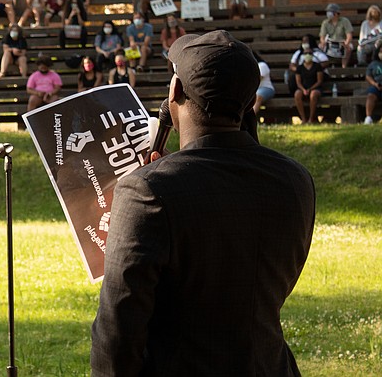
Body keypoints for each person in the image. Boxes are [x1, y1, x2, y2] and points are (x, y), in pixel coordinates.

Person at [91, 30, 315, 377]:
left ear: (176, 91)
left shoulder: (146, 193)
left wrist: (149, 186)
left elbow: (117, 331)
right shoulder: (296, 180)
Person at [319, 3, 354, 68]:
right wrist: (323, 42)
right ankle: (326, 68)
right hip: (330, 43)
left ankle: (344, 68)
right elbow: (322, 37)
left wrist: (346, 43)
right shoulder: (325, 23)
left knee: (349, 48)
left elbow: (349, 35)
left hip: (342, 42)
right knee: (320, 47)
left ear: (336, 13)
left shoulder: (345, 21)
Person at [294, 50, 325, 124]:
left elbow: (319, 81)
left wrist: (310, 89)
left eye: (309, 53)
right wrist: (303, 89)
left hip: (315, 88)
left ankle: (311, 119)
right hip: (303, 88)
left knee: (313, 95)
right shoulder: (299, 68)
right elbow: (298, 82)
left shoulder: (317, 66)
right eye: (305, 53)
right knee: (297, 94)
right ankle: (303, 119)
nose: (307, 55)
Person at [363, 47, 382, 124]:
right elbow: (368, 76)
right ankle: (368, 118)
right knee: (371, 96)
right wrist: (375, 84)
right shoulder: (373, 64)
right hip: (377, 86)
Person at [254, 51, 275, 115]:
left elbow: (258, 80)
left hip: (266, 88)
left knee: (258, 96)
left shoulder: (262, 65)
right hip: (255, 90)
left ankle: (249, 118)